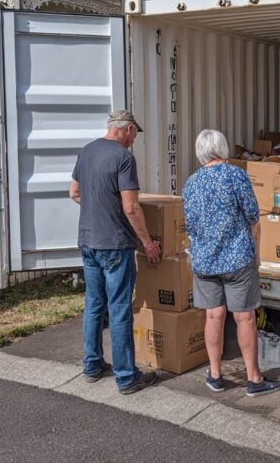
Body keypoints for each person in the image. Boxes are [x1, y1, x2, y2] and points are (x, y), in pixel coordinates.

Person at [182, 129, 280, 398]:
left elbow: (189, 224)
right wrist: (255, 253)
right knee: (244, 317)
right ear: (223, 148)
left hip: (204, 260)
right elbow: (253, 216)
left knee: (213, 316)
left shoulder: (190, 183)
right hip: (237, 259)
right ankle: (254, 379)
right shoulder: (235, 175)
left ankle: (215, 375)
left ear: (200, 152)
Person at [69, 110, 162, 395]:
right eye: (135, 134)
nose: (134, 140)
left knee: (94, 303)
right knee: (120, 307)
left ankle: (93, 365)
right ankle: (126, 377)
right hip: (115, 244)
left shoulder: (86, 151)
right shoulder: (123, 158)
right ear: (128, 128)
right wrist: (147, 243)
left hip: (88, 240)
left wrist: (97, 208)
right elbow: (131, 208)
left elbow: (74, 192)